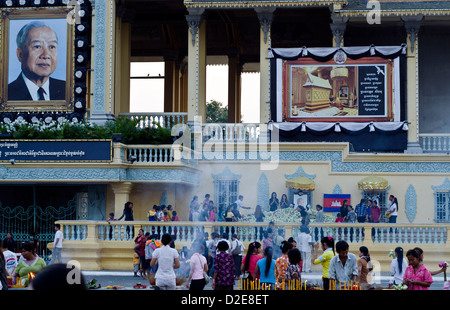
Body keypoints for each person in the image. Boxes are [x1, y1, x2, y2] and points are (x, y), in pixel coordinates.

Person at [8, 21, 65, 101]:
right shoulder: (6, 95)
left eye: (52, 47)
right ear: (20, 54)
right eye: (37, 46)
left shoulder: (68, 91)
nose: (46, 55)